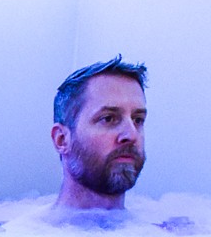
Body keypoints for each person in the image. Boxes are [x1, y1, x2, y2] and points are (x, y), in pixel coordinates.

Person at [51, 55, 149, 213]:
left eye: (138, 120)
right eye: (108, 118)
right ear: (62, 139)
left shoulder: (170, 233)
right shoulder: (16, 235)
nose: (131, 135)